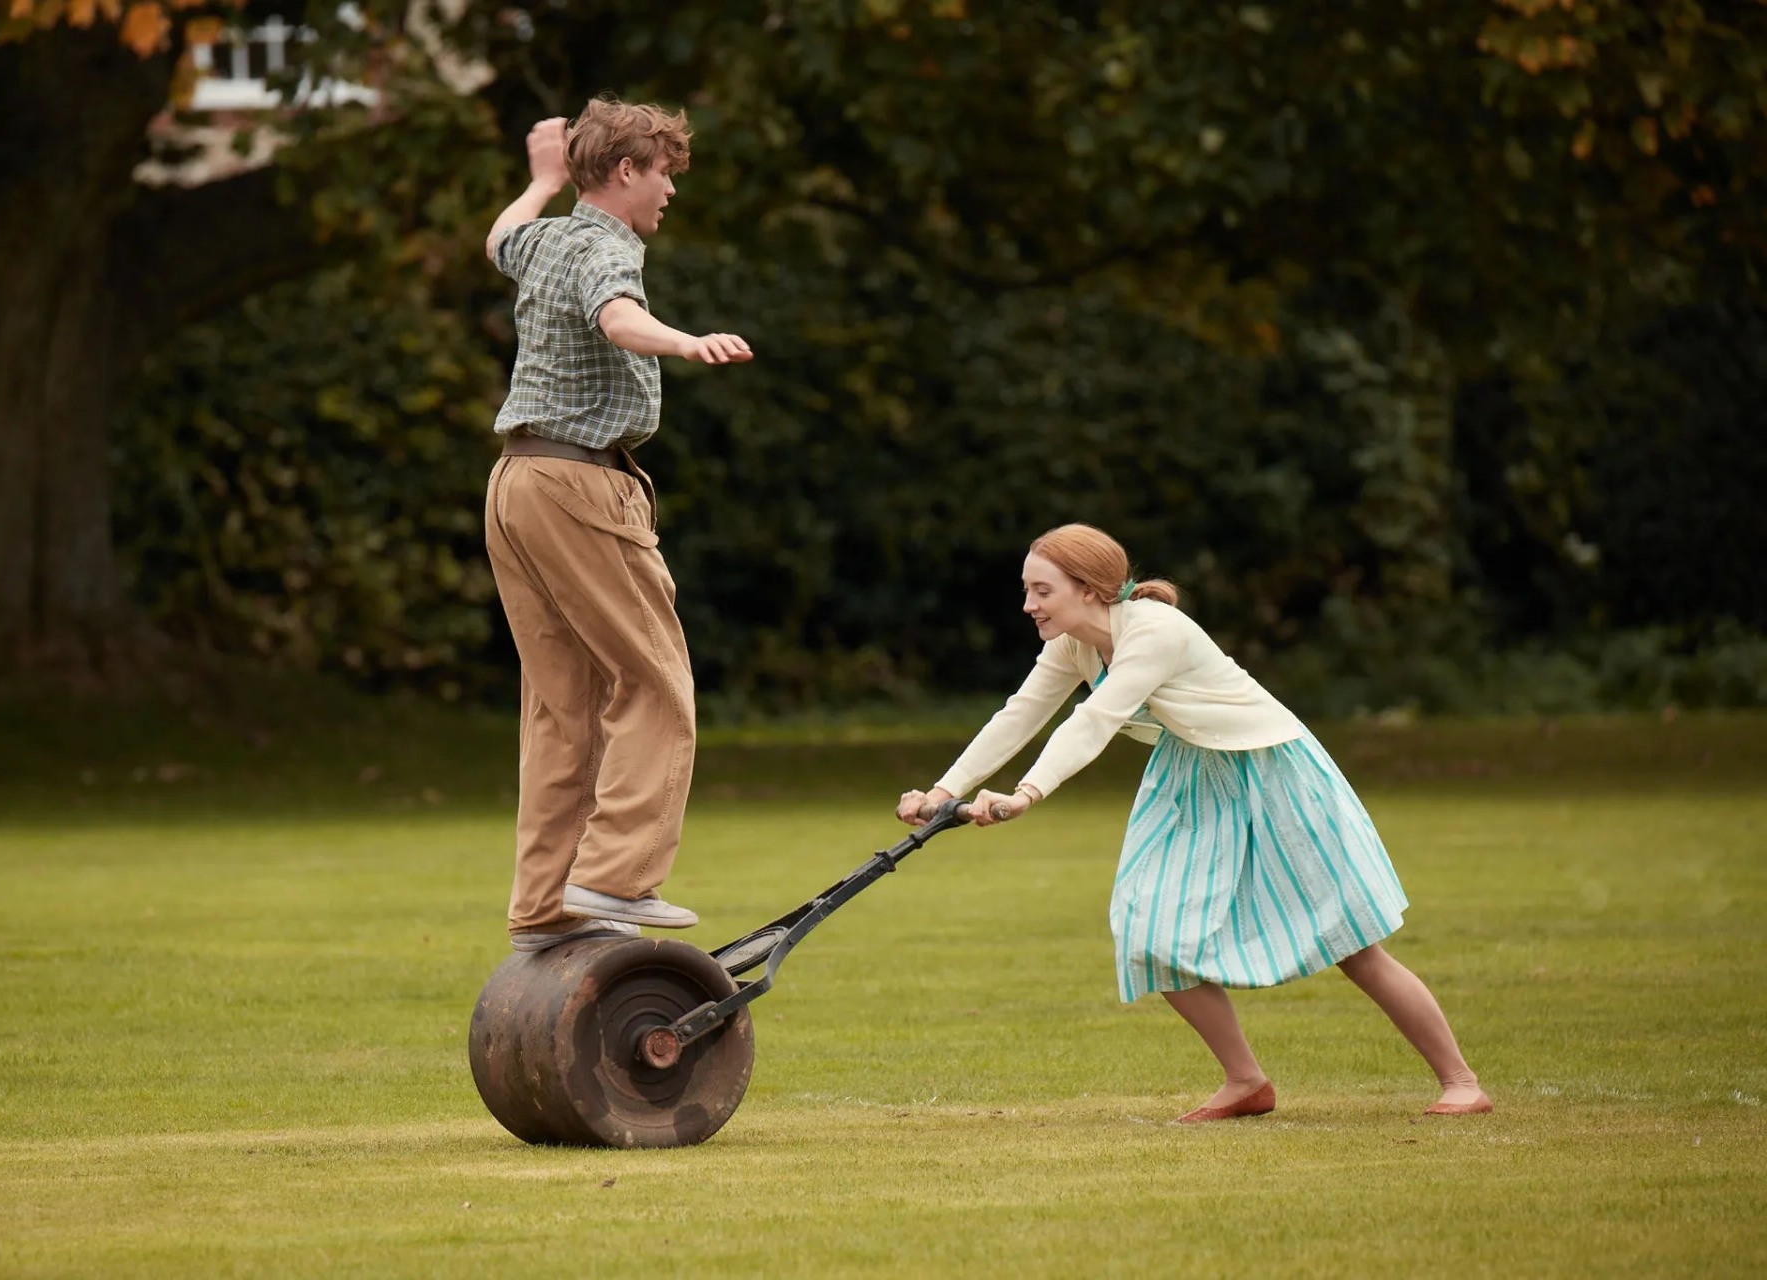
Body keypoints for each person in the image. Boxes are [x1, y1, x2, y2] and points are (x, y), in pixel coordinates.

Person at [897, 524, 1492, 1121]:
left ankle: (1462, 1082)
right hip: (1192, 773)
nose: (1028, 605)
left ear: (1091, 589)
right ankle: (1246, 1082)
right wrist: (943, 790)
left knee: (1352, 945)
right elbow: (1019, 714)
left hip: (1271, 767)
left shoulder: (1154, 631)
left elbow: (1094, 719)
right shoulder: (1075, 643)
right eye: (1027, 590)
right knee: (1150, 930)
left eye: (1042, 591)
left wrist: (1026, 793)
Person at [483, 98, 752, 952]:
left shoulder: (550, 235)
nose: (671, 187)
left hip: (517, 481)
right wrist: (683, 341)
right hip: (580, 484)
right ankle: (615, 878)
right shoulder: (602, 244)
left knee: (565, 706)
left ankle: (544, 910)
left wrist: (539, 181)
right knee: (657, 684)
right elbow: (618, 317)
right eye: (664, 169)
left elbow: (497, 240)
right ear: (627, 170)